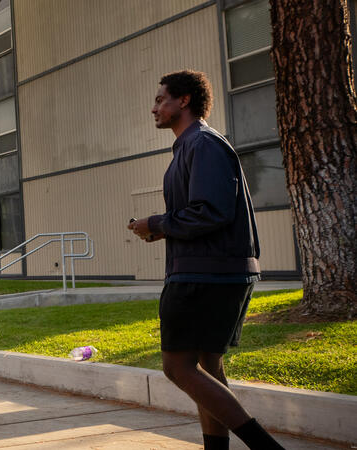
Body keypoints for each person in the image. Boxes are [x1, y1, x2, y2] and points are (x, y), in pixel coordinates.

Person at [129, 70, 282, 450]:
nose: (154, 108)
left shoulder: (204, 144)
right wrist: (160, 229)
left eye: (161, 99)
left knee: (177, 367)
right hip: (210, 269)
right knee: (208, 368)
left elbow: (212, 211)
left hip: (206, 274)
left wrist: (158, 222)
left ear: (184, 101)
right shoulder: (189, 146)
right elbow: (204, 212)